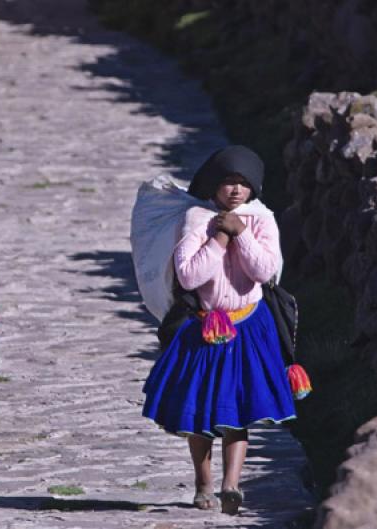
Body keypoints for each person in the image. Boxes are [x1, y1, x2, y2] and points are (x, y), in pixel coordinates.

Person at [141, 146, 296, 515]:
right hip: (203, 328)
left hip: (248, 327)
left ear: (254, 188)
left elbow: (264, 272)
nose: (236, 190)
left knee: (238, 410)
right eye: (229, 182)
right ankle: (203, 483)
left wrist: (241, 234)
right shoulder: (196, 218)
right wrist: (220, 238)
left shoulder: (262, 220)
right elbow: (190, 275)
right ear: (215, 185)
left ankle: (231, 484)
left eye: (243, 184)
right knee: (199, 411)